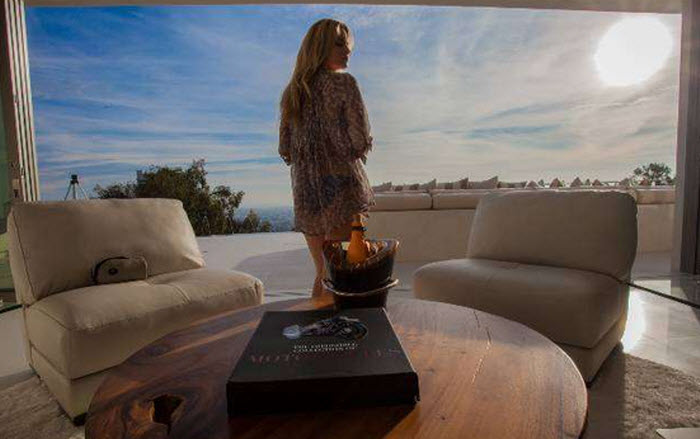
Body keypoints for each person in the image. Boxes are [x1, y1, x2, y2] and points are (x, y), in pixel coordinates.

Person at [278, 18, 374, 297]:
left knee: (323, 272)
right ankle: (345, 323)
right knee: (342, 272)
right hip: (341, 186)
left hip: (307, 190)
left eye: (349, 47)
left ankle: (317, 321)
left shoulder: (293, 92)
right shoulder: (345, 83)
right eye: (339, 44)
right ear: (318, 47)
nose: (347, 52)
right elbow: (359, 139)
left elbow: (285, 146)